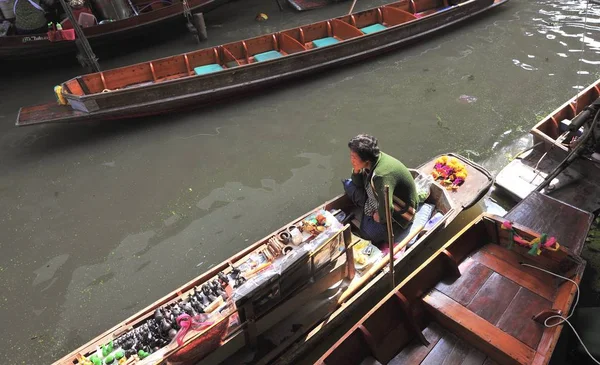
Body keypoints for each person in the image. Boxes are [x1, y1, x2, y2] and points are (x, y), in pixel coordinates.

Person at [342, 134, 418, 245]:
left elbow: (387, 208)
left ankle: (370, 218)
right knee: (348, 184)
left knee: (367, 232)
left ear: (366, 159)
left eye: (354, 157)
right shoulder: (371, 162)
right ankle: (367, 211)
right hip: (376, 196)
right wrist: (356, 170)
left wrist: (379, 217)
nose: (351, 159)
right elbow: (357, 183)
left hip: (398, 212)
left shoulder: (381, 176)